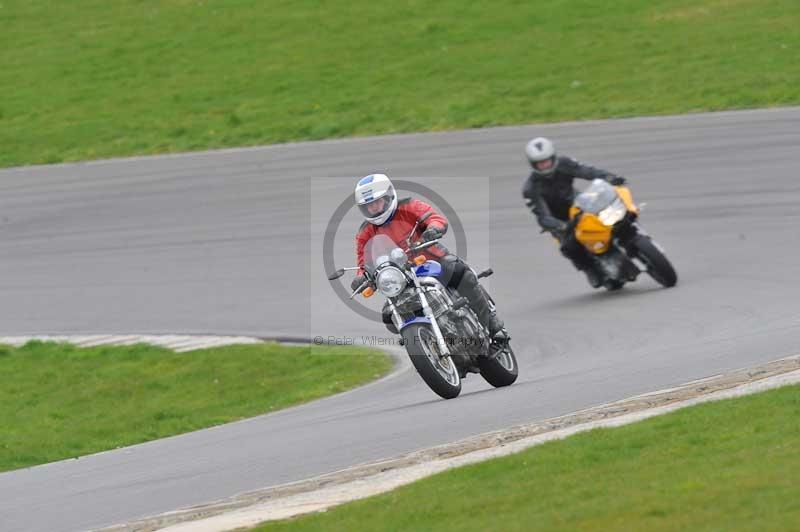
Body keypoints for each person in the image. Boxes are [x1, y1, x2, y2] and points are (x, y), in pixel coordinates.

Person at [350, 173, 505, 339]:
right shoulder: (364, 233)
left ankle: (491, 322)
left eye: (377, 202)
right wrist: (361, 277)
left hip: (432, 261)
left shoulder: (409, 206)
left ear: (388, 196)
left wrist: (433, 229)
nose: (373, 208)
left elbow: (434, 218)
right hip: (401, 279)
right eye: (369, 206)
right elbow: (363, 262)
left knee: (460, 273)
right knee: (389, 317)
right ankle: (427, 344)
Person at [521, 137, 627, 287]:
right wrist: (559, 226)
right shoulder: (530, 188)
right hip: (560, 221)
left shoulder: (565, 163)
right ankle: (591, 269)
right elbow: (542, 215)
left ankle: (629, 235)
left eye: (547, 161)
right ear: (533, 164)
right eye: (540, 163)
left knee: (612, 214)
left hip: (579, 205)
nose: (545, 166)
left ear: (553, 157)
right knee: (569, 246)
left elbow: (588, 171)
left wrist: (609, 177)